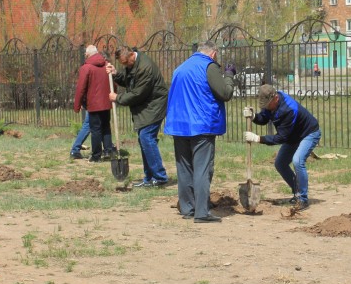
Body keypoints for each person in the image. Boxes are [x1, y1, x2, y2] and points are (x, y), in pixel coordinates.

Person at [164, 41, 235, 222]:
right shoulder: (208, 66)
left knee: (184, 169)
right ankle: (202, 213)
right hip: (201, 126)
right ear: (213, 54)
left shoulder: (180, 68)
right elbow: (225, 93)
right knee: (202, 169)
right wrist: (228, 75)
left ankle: (187, 208)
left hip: (179, 125)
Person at [244, 84, 321, 211]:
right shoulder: (271, 103)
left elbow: (281, 138)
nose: (266, 107)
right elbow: (264, 118)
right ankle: (297, 192)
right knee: (280, 163)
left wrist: (258, 138)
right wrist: (254, 117)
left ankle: (303, 199)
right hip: (293, 135)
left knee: (298, 160)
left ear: (275, 98)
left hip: (309, 133)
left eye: (268, 104)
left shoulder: (289, 109)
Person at [106, 46, 168, 187]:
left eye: (126, 63)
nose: (125, 66)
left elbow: (138, 93)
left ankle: (160, 177)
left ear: (132, 56)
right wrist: (116, 74)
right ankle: (149, 177)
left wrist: (117, 97)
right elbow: (129, 81)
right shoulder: (133, 64)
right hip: (146, 106)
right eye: (122, 64)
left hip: (154, 105)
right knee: (144, 138)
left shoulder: (145, 68)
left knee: (146, 137)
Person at [74, 45, 114, 162]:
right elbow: (113, 83)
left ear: (87, 55)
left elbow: (81, 88)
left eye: (85, 54)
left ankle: (96, 155)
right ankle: (108, 151)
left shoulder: (86, 68)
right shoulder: (107, 65)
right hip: (106, 102)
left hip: (94, 104)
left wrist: (77, 105)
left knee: (95, 129)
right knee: (106, 127)